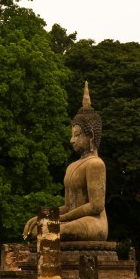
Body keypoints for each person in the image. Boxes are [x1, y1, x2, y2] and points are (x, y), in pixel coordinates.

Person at [23, 83, 108, 242]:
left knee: (50, 231)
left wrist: (61, 219)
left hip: (93, 221)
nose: (72, 140)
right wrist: (44, 216)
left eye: (77, 135)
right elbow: (69, 205)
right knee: (37, 229)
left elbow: (96, 206)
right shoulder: (72, 166)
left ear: (90, 136)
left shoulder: (96, 164)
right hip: (73, 218)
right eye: (72, 135)